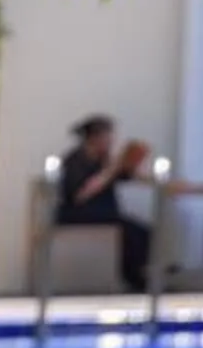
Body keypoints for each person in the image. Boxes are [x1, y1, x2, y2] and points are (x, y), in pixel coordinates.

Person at [56, 115, 152, 291]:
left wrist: (131, 163)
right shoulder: (75, 160)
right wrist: (111, 170)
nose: (111, 141)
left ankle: (141, 272)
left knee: (142, 232)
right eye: (108, 137)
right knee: (128, 231)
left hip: (105, 212)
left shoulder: (105, 160)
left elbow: (128, 176)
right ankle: (134, 278)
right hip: (77, 213)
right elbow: (80, 195)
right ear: (95, 138)